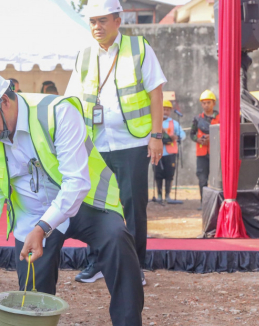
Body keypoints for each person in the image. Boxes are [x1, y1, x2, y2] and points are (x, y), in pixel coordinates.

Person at [0, 70, 159, 326]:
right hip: (31, 216)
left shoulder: (57, 112)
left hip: (84, 204)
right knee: (32, 291)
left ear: (5, 101)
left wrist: (43, 228)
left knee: (117, 239)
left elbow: (77, 182)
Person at [65, 0, 166, 285]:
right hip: (95, 145)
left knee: (133, 206)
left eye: (102, 21)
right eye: (92, 21)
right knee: (95, 206)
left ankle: (135, 266)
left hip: (132, 142)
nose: (97, 27)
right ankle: (97, 263)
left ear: (118, 21)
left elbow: (156, 94)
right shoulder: (83, 56)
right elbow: (71, 101)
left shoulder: (139, 49)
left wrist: (156, 136)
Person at [190, 89, 219, 208]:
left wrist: (212, 138)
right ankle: (204, 203)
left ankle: (217, 203)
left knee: (218, 179)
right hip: (202, 153)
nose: (206, 105)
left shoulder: (220, 117)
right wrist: (198, 139)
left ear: (214, 103)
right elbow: (192, 134)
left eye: (208, 102)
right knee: (202, 179)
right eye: (204, 103)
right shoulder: (197, 119)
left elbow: (225, 133)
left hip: (216, 153)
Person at [154, 100, 185, 203]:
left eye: (167, 110)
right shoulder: (155, 121)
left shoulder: (174, 123)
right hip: (158, 152)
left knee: (169, 174)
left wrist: (176, 136)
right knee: (158, 174)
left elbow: (183, 135)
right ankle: (159, 195)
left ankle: (167, 195)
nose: (165, 112)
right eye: (163, 109)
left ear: (170, 111)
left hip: (170, 153)